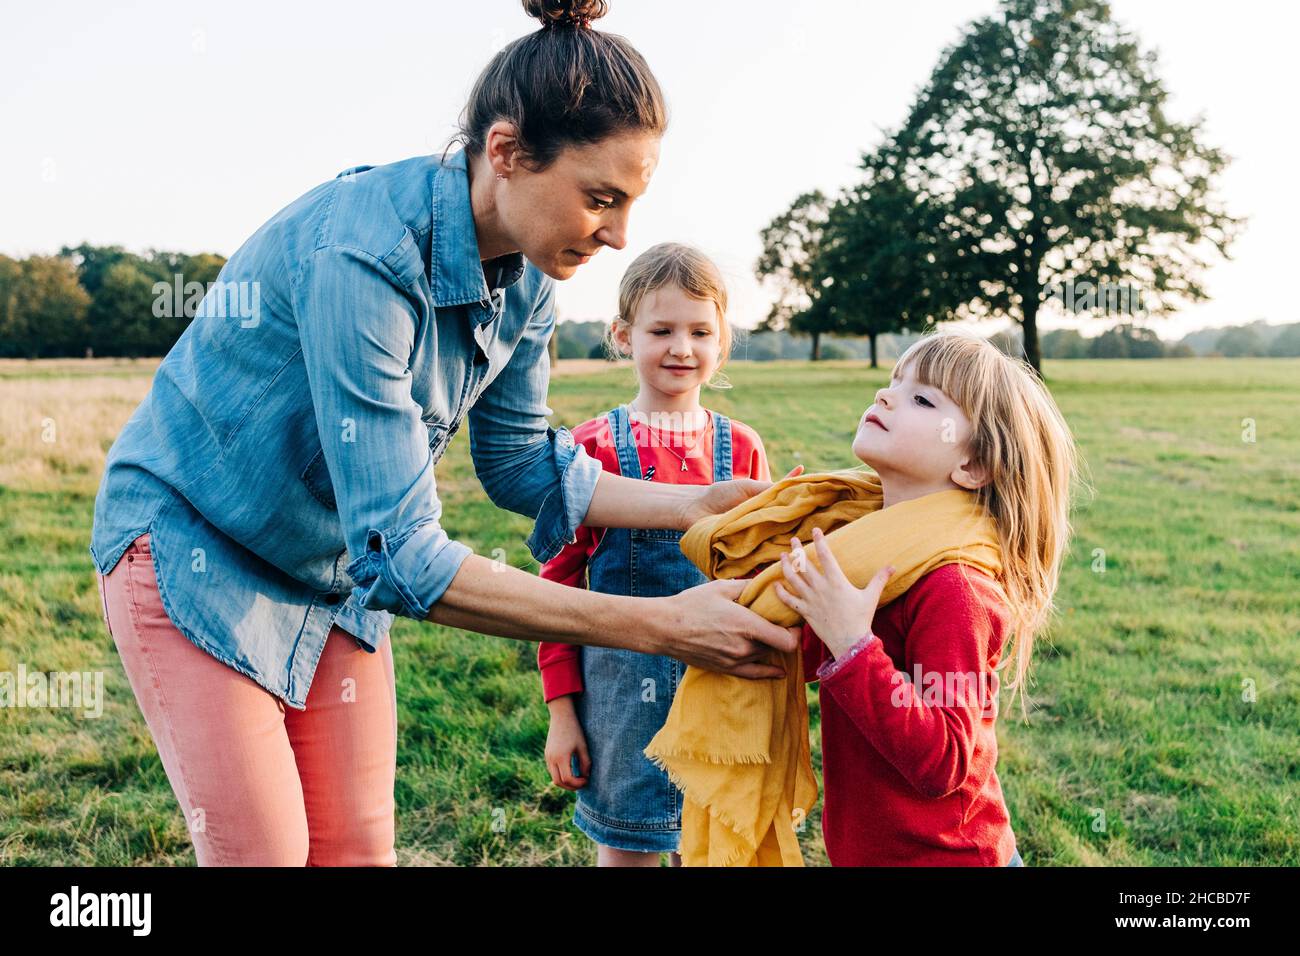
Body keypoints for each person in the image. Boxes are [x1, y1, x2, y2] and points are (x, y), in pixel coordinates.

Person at [89, 0, 797, 867]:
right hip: (198, 551)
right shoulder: (364, 258)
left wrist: (700, 503)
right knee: (265, 853)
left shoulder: (533, 277)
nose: (618, 236)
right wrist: (658, 625)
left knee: (356, 852)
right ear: (505, 153)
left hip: (327, 581)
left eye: (630, 203)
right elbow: (403, 555)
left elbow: (520, 464)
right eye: (600, 199)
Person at [773, 331, 1079, 865]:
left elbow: (945, 760)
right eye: (894, 383)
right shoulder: (869, 551)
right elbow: (812, 663)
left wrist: (851, 644)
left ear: (973, 466)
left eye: (922, 399)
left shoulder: (954, 588)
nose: (886, 397)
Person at [537, 243, 784, 866]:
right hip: (623, 707)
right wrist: (562, 714)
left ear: (723, 341)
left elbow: (762, 572)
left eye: (701, 331)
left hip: (720, 696)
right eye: (662, 329)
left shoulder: (743, 449)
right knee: (630, 849)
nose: (682, 348)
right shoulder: (592, 445)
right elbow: (558, 589)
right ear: (623, 336)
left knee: (708, 847)